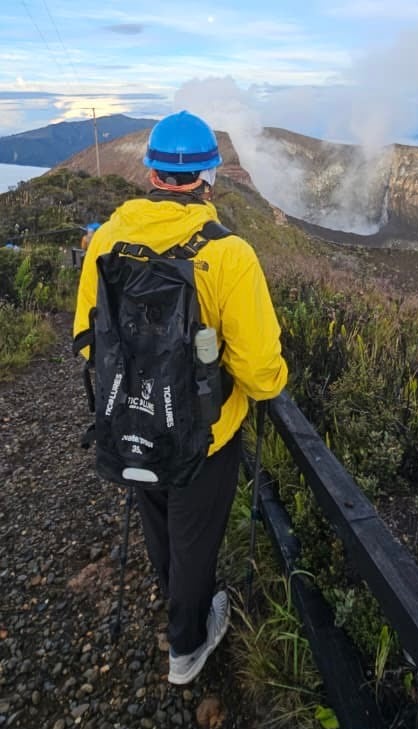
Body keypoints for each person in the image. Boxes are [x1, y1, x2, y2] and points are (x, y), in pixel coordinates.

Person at [73, 110, 288, 685]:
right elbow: (262, 371)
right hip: (203, 434)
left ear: (152, 172)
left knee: (158, 518)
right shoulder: (228, 254)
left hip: (129, 420)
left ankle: (176, 605)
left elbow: (89, 340)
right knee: (196, 537)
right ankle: (187, 646)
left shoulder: (106, 240)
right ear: (208, 176)